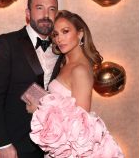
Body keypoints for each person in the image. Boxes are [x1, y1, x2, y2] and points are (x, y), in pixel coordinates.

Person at [26, 10, 124, 157]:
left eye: (65, 31)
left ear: (80, 34)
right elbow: (65, 103)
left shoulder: (79, 70)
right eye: (55, 34)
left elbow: (81, 127)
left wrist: (40, 110)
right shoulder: (65, 62)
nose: (59, 39)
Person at [0, 0, 63, 158]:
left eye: (52, 9)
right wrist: (2, 144)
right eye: (39, 8)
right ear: (28, 13)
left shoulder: (61, 47)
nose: (46, 14)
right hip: (17, 144)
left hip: (53, 146)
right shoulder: (6, 43)